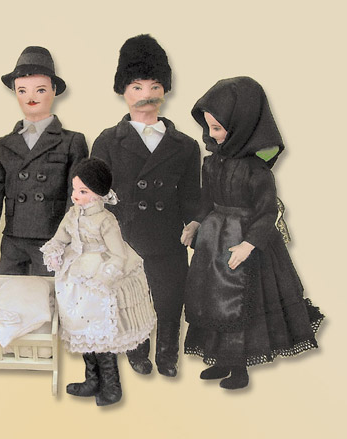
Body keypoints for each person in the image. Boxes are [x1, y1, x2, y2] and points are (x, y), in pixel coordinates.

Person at [182, 76, 324, 390]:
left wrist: (249, 244)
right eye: (209, 128)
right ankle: (220, 359)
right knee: (214, 301)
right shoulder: (211, 163)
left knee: (242, 303)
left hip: (247, 242)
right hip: (213, 245)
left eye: (218, 128)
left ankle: (239, 366)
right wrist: (195, 223)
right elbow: (206, 201)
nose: (211, 135)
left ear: (242, 126)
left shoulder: (256, 170)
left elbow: (267, 212)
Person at [91, 35, 200, 376]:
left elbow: (191, 195)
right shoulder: (108, 141)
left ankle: (168, 354)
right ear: (123, 91)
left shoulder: (185, 145)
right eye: (136, 87)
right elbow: (96, 194)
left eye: (155, 86)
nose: (146, 95)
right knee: (132, 297)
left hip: (169, 236)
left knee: (170, 298)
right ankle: (137, 350)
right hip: (126, 237)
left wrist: (194, 223)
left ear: (165, 90)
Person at [41, 158, 156, 406]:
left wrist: (104, 278)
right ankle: (92, 380)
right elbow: (60, 238)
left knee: (100, 331)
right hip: (75, 278)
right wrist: (54, 250)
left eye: (83, 191)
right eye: (75, 189)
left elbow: (118, 255)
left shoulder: (106, 220)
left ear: (98, 194)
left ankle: (112, 386)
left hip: (98, 275)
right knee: (82, 328)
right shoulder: (72, 214)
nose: (76, 196)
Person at [0, 46, 88, 276]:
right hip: (14, 235)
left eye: (40, 90)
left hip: (52, 236)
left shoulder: (72, 141)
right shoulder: (4, 144)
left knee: (49, 292)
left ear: (54, 90)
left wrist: (69, 236)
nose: (30, 98)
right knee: (4, 289)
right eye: (22, 90)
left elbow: (75, 194)